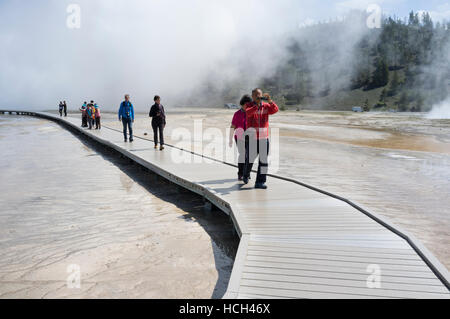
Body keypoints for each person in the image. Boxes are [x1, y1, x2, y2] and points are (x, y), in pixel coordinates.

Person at [242, 88, 278, 189]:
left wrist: (270, 101)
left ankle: (260, 182)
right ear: (252, 96)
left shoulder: (266, 106)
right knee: (250, 159)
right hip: (252, 137)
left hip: (263, 138)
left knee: (263, 161)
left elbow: (275, 110)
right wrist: (256, 105)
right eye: (256, 95)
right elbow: (248, 113)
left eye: (260, 95)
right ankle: (245, 175)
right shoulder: (249, 105)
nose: (258, 97)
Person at [229, 94, 252, 180]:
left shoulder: (252, 113)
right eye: (246, 104)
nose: (247, 106)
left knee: (249, 156)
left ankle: (247, 173)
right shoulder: (237, 114)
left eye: (249, 105)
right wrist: (230, 139)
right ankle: (240, 173)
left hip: (250, 137)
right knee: (243, 154)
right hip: (239, 137)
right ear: (242, 104)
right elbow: (232, 127)